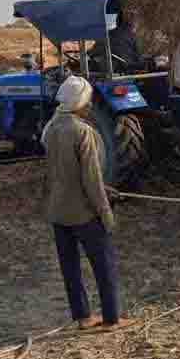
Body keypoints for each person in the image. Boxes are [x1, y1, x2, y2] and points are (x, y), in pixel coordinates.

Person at [41, 75, 130, 330]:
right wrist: (105, 213)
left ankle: (82, 317)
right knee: (104, 265)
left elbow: (60, 171)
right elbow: (91, 179)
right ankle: (111, 319)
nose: (89, 105)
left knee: (70, 269)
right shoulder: (82, 132)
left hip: (58, 210)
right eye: (87, 101)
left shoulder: (51, 128)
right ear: (79, 103)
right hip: (84, 213)